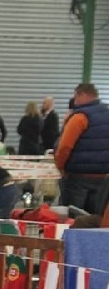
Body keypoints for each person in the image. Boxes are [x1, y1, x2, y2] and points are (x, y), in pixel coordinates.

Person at [54, 83, 109, 215]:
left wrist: (60, 166)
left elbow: (65, 146)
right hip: (102, 177)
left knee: (70, 217)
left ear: (82, 95)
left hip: (77, 177)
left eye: (76, 97)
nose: (75, 101)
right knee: (93, 219)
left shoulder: (80, 117)